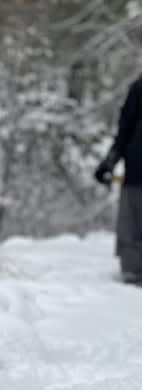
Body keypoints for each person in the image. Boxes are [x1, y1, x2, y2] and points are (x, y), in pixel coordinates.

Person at [95, 75, 142, 285]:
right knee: (131, 228)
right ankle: (132, 277)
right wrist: (110, 162)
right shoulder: (140, 87)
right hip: (137, 173)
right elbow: (125, 129)